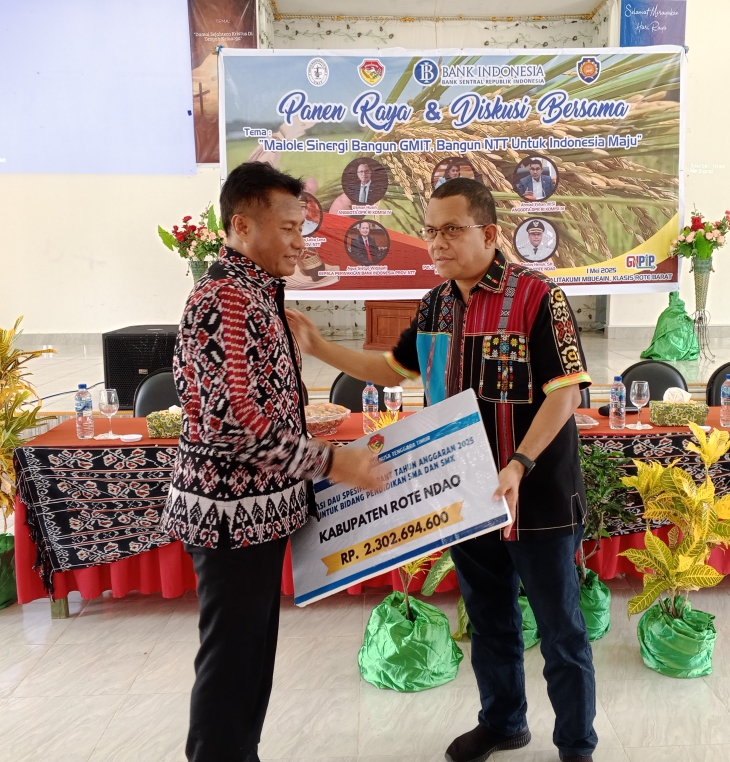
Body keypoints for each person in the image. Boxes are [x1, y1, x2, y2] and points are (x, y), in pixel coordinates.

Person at [287, 177, 597, 762]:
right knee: (488, 619)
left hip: (537, 496)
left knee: (561, 631)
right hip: (467, 494)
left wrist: (519, 463)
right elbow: (392, 369)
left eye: (451, 230)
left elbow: (565, 393)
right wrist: (319, 345)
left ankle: (576, 745)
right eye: (430, 231)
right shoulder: (435, 304)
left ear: (490, 233)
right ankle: (503, 722)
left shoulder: (538, 297)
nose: (437, 243)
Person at [161, 161, 381, 762]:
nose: (299, 242)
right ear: (241, 226)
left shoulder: (256, 293)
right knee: (232, 666)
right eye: (287, 228)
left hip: (256, 515)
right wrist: (334, 464)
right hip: (230, 518)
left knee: (250, 661)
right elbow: (234, 422)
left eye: (301, 228)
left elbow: (264, 405)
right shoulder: (225, 300)